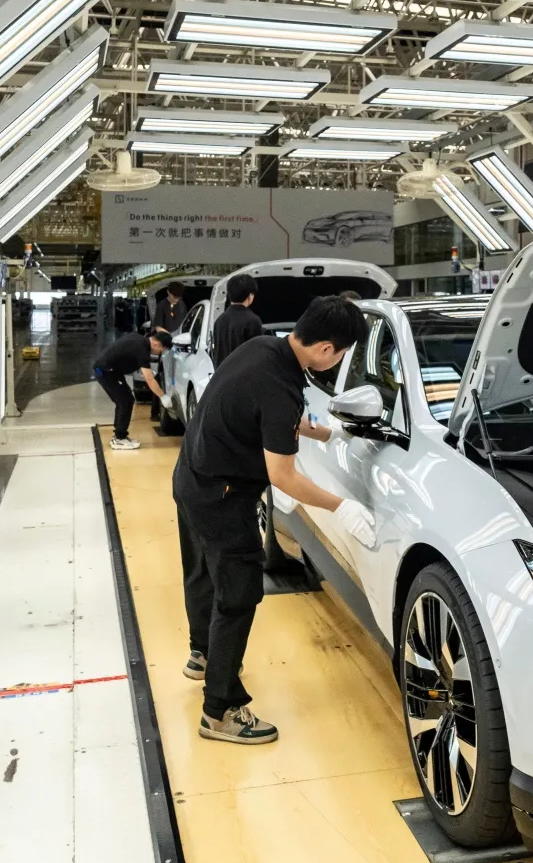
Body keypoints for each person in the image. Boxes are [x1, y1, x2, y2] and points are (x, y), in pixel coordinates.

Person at [174, 296, 375, 744]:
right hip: (222, 496)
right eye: (340, 354)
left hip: (190, 476)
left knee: (203, 574)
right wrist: (340, 507)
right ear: (326, 349)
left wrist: (324, 431)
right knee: (239, 595)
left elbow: (265, 413)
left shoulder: (264, 348)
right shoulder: (280, 387)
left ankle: (203, 656)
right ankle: (220, 711)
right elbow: (282, 477)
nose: (338, 361)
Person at [93, 324, 170, 451]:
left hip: (111, 371)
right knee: (125, 401)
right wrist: (163, 396)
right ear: (156, 344)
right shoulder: (142, 351)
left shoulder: (140, 339)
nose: (160, 353)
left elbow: (160, 330)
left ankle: (119, 435)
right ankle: (119, 438)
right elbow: (149, 379)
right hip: (105, 372)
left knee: (125, 400)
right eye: (162, 350)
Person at [210, 272, 263, 364]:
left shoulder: (219, 320)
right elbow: (256, 355)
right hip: (243, 376)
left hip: (222, 375)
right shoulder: (252, 321)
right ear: (249, 296)